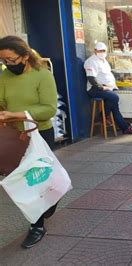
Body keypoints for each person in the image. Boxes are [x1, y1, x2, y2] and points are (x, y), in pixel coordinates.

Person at [0, 35, 59, 248]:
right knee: (25, 182)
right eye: (3, 60)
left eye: (11, 59)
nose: (7, 64)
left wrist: (16, 114)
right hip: (15, 136)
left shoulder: (42, 75)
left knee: (37, 180)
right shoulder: (4, 76)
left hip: (40, 134)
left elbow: (49, 109)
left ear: (25, 56)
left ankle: (37, 225)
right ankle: (41, 214)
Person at [84, 42, 132, 134]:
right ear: (95, 51)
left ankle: (123, 127)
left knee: (114, 105)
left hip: (108, 88)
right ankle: (102, 117)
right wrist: (102, 88)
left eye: (104, 51)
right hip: (94, 89)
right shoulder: (91, 61)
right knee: (114, 98)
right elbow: (91, 78)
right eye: (100, 51)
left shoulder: (104, 60)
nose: (102, 52)